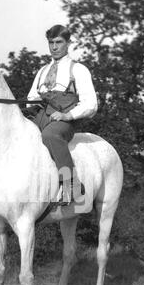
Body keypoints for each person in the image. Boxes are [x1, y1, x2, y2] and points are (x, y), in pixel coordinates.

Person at [26, 24, 98, 206]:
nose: (54, 47)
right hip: (41, 116)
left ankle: (72, 185)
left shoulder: (78, 69)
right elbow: (30, 99)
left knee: (50, 135)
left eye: (59, 42)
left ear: (68, 43)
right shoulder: (42, 72)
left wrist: (68, 116)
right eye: (51, 42)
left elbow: (91, 104)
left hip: (64, 119)